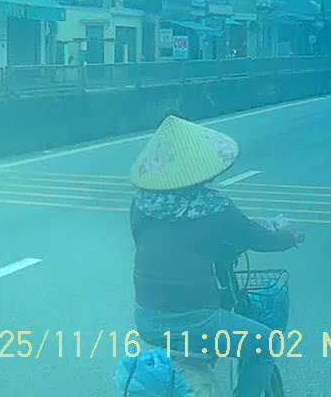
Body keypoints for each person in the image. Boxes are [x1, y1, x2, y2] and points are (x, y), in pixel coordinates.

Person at [128, 115, 304, 397]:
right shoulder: (213, 205)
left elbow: (155, 243)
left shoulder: (141, 204)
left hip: (147, 318)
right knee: (264, 343)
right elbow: (257, 238)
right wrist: (289, 236)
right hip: (194, 319)